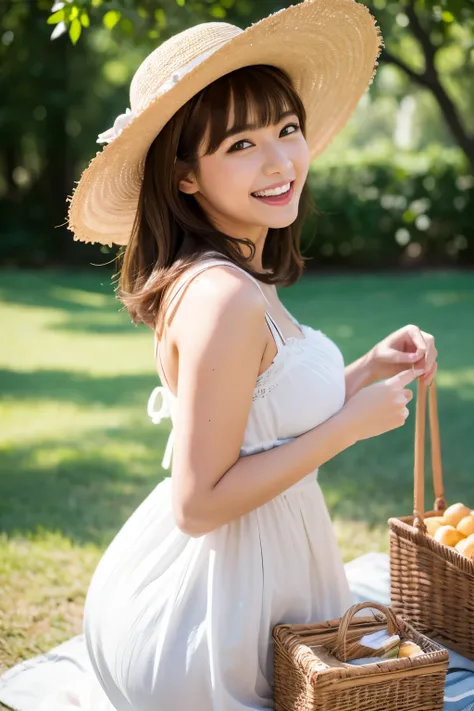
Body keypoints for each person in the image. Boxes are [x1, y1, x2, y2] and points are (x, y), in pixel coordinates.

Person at [0, 1, 438, 710]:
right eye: (240, 145)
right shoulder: (222, 295)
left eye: (287, 129)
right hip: (208, 628)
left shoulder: (237, 272)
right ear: (185, 177)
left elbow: (260, 417)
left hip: (257, 578)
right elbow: (198, 502)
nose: (280, 160)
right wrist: (350, 424)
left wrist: (365, 371)